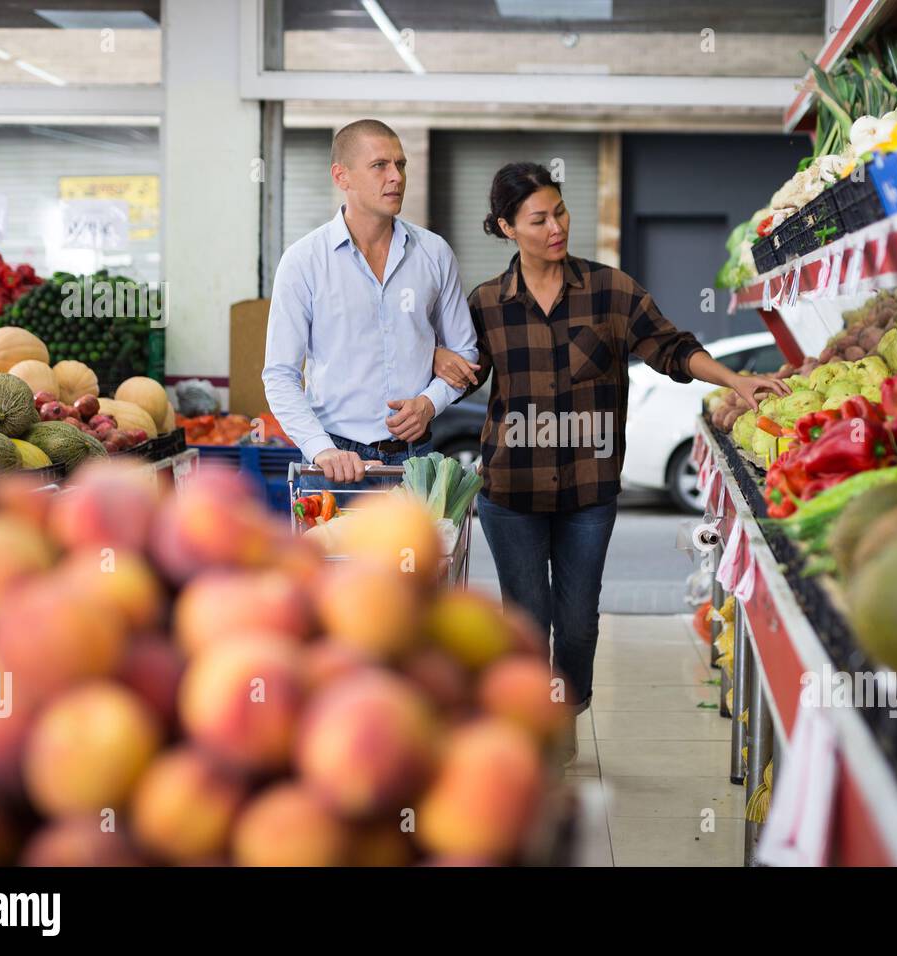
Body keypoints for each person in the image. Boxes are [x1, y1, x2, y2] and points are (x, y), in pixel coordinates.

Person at [433, 162, 788, 763]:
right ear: (507, 227)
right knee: (525, 619)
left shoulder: (611, 290)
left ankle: (566, 706)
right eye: (539, 219)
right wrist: (437, 358)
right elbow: (465, 375)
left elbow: (671, 348)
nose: (556, 227)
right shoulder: (487, 303)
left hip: (588, 492)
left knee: (577, 622)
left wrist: (734, 377)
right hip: (511, 493)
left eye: (560, 212)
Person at [263, 119, 478, 491]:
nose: (396, 177)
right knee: (334, 552)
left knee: (417, 554)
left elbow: (465, 351)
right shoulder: (303, 261)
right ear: (341, 176)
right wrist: (321, 450)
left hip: (416, 462)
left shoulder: (434, 253)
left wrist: (430, 402)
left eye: (401, 164)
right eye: (380, 165)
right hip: (334, 463)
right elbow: (280, 375)